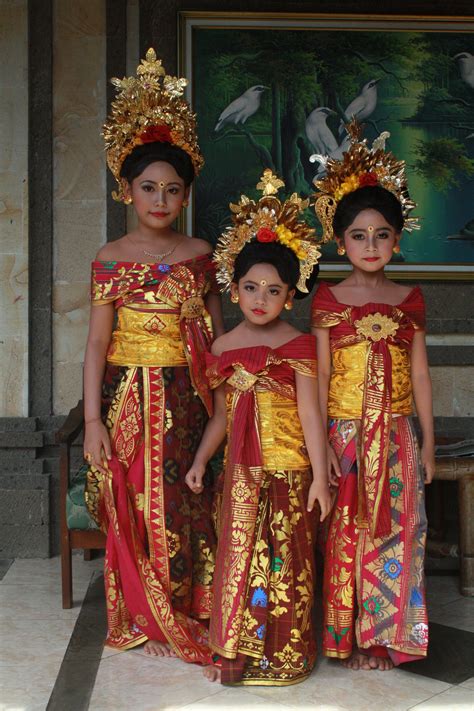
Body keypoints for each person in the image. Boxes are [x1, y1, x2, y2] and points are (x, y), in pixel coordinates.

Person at [83, 49, 224, 664]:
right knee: (138, 496)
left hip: (192, 393)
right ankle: (143, 609)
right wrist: (91, 421)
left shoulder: (199, 256)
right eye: (148, 188)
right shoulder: (111, 258)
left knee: (192, 491)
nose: (160, 199)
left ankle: (194, 602)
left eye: (172, 189)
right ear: (126, 191)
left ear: (187, 194)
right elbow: (95, 344)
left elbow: (218, 340)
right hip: (130, 396)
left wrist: (227, 402)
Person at [185, 170, 331, 685]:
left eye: (274, 290)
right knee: (239, 556)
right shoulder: (222, 350)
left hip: (291, 470)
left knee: (289, 561)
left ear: (291, 295)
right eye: (250, 287)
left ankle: (285, 655)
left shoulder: (300, 346)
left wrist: (318, 476)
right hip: (242, 470)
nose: (260, 299)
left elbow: (312, 414)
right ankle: (234, 653)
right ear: (234, 288)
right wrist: (202, 460)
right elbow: (223, 416)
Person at [311, 121, 434, 671]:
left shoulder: (408, 300)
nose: (370, 245)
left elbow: (422, 375)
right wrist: (324, 455)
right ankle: (348, 639)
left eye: (381, 234)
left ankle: (388, 639)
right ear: (340, 242)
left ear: (397, 240)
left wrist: (428, 446)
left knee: (399, 532)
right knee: (346, 534)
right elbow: (315, 377)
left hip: (399, 436)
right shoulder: (327, 299)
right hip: (346, 435)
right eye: (358, 236)